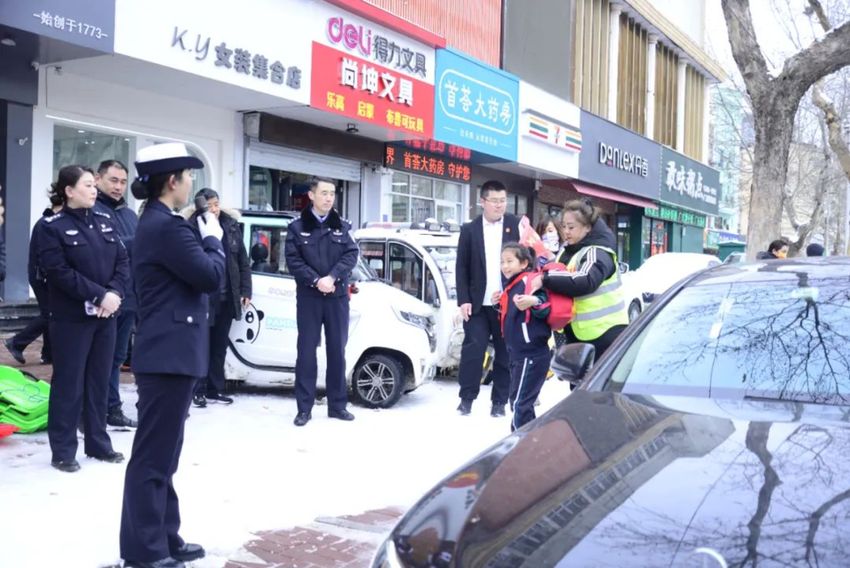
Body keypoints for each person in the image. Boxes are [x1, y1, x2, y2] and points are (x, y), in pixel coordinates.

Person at [119, 143, 224, 568]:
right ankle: (145, 552)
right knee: (153, 456)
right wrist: (213, 239)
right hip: (167, 355)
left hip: (171, 353)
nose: (192, 184)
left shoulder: (161, 223)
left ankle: (165, 537)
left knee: (165, 453)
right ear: (172, 181)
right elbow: (211, 276)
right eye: (188, 176)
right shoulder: (167, 227)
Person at [39, 165, 129, 472]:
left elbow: (122, 261)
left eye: (94, 185)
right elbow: (59, 272)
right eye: (88, 185)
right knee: (69, 384)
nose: (94, 190)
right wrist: (98, 295)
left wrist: (114, 293)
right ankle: (63, 450)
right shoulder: (52, 226)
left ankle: (98, 443)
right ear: (69, 190)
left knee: (99, 382)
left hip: (106, 317)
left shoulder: (105, 220)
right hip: (72, 319)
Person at [284, 177, 359, 427]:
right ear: (311, 196)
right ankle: (304, 408)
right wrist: (317, 280)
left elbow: (351, 254)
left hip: (337, 297)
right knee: (306, 353)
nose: (329, 198)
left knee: (337, 350)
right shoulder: (296, 227)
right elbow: (293, 261)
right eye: (324, 193)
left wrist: (332, 277)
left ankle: (337, 406)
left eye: (332, 194)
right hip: (309, 298)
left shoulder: (343, 226)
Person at [530, 198, 629, 361]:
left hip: (605, 334)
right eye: (564, 226)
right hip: (578, 334)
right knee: (577, 385)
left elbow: (585, 280)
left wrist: (545, 278)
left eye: (571, 227)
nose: (566, 231)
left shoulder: (597, 252)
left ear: (588, 228)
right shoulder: (567, 251)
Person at [455, 180, 520, 417]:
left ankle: (499, 401)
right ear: (483, 202)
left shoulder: (516, 225)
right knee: (473, 350)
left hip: (506, 303)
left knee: (505, 353)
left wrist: (512, 292)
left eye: (503, 200)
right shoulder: (470, 229)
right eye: (495, 201)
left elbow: (526, 262)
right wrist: (463, 300)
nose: (500, 205)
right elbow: (461, 268)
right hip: (477, 304)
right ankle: (467, 398)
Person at [186, 188, 251, 408]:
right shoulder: (192, 227)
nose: (214, 209)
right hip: (204, 297)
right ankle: (198, 389)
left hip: (227, 296)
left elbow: (242, 261)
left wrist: (245, 291)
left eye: (216, 204)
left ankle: (216, 388)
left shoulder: (230, 225)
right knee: (201, 345)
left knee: (219, 345)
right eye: (209, 205)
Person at [93, 159, 139, 428]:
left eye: (123, 181)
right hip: (105, 298)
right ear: (98, 180)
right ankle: (99, 409)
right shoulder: (93, 210)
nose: (119, 186)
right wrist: (141, 240)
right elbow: (108, 248)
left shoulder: (130, 214)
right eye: (113, 180)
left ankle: (111, 407)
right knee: (102, 358)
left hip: (130, 298)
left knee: (118, 357)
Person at [495, 243, 551, 431]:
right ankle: (531, 443)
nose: (505, 266)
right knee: (519, 402)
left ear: (524, 262)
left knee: (520, 403)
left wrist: (533, 301)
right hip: (518, 354)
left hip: (532, 354)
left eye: (509, 261)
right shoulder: (510, 286)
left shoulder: (529, 281)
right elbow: (513, 318)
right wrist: (499, 304)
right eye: (502, 262)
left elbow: (545, 304)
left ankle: (521, 446)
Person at [5, 197, 62, 365]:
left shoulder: (48, 223)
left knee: (52, 313)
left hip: (43, 275)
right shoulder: (46, 224)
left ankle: (48, 353)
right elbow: (43, 254)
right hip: (42, 276)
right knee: (49, 313)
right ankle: (16, 342)